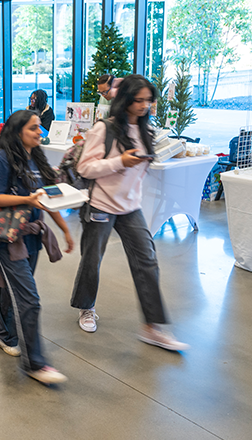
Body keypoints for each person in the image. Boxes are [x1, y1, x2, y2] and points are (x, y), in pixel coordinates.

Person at [70, 74, 188, 351]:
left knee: (147, 261)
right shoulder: (104, 128)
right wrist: (119, 161)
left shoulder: (147, 131)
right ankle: (86, 308)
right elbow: (84, 168)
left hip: (131, 207)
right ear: (125, 100)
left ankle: (152, 327)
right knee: (92, 260)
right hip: (101, 204)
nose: (145, 105)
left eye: (149, 100)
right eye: (139, 100)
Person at [0, 109, 74, 385]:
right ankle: (35, 364)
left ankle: (2, 332)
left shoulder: (37, 158)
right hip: (7, 239)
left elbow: (47, 198)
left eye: (39, 127)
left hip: (32, 236)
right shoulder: (1, 159)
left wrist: (65, 229)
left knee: (11, 288)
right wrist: (27, 200)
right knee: (29, 299)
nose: (40, 132)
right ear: (17, 131)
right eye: (33, 128)